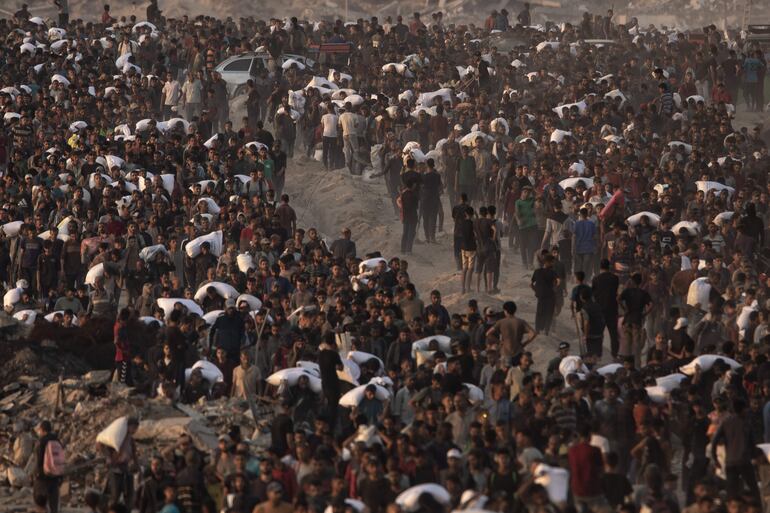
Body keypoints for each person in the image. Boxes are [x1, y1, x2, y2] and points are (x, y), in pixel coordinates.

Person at [619, 272, 652, 368]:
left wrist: (624, 309)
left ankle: (626, 365)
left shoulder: (627, 291)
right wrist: (644, 314)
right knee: (636, 345)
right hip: (637, 320)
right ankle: (637, 365)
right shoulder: (643, 293)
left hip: (627, 320)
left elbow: (618, 298)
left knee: (627, 344)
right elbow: (651, 305)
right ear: (641, 282)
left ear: (632, 281)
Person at [592, 259, 620, 358]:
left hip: (600, 310)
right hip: (612, 309)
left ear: (600, 267)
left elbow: (593, 294)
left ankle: (598, 354)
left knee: (599, 333)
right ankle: (614, 354)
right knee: (613, 334)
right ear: (609, 267)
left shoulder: (596, 279)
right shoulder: (615, 278)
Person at [33, 421, 62, 513]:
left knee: (40, 503)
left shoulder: (41, 441)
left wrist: (36, 473)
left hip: (42, 477)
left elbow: (39, 460)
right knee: (54, 505)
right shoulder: (57, 441)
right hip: (55, 476)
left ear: (42, 430)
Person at [531, 254, 559, 334]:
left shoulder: (537, 271)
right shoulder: (553, 272)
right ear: (547, 262)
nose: (553, 264)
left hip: (541, 296)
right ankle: (546, 331)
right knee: (549, 314)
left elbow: (531, 284)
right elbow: (557, 283)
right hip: (550, 296)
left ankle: (537, 329)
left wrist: (536, 291)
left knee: (540, 312)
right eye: (552, 262)